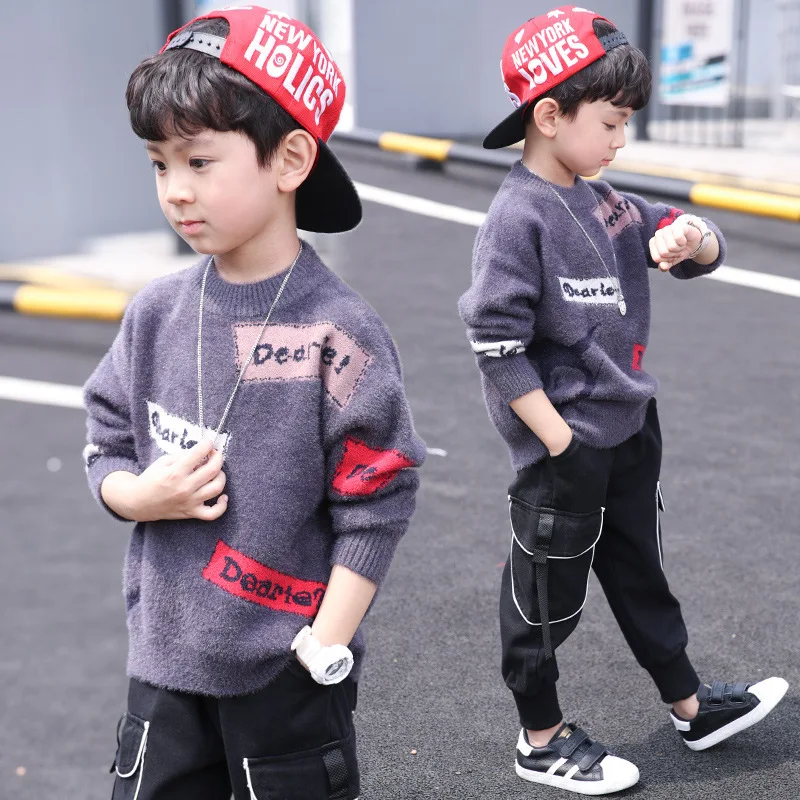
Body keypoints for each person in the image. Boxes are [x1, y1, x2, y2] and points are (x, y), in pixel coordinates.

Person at [82, 7, 425, 798]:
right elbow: (106, 435)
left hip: (287, 673)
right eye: (159, 164)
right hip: (163, 668)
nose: (176, 190)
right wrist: (137, 496)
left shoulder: (340, 333)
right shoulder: (156, 313)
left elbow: (379, 501)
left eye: (200, 161)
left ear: (291, 159)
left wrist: (323, 648)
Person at [458, 5, 787, 795]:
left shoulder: (604, 200)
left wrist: (693, 237)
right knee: (545, 598)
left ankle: (691, 706)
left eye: (626, 123)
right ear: (550, 116)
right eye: (610, 122)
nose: (620, 139)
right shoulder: (518, 217)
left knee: (642, 572)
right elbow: (495, 343)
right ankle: (540, 739)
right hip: (567, 447)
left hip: (630, 429)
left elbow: (695, 240)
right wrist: (559, 442)